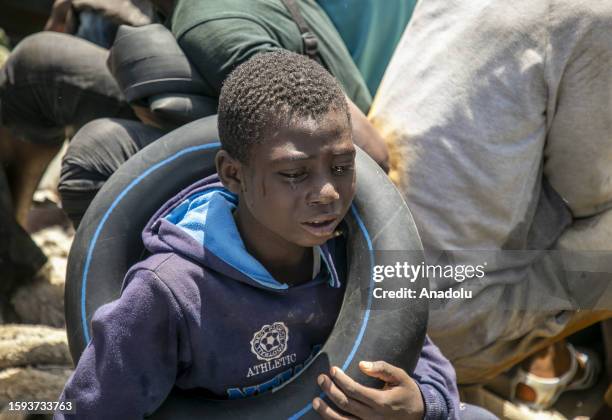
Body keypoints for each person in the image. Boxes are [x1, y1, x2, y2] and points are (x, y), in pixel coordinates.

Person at [55, 51, 462, 420]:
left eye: (341, 167)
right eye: (293, 174)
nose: (327, 194)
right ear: (233, 174)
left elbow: (421, 356)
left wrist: (424, 407)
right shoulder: (167, 294)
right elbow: (89, 411)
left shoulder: (353, 251)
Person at [369, 0, 612, 412]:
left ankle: (535, 373)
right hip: (449, 321)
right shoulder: (595, 16)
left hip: (377, 284)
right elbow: (590, 193)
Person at [58, 0, 389, 227]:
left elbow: (369, 153)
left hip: (354, 213)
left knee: (96, 156)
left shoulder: (207, 23)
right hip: (329, 179)